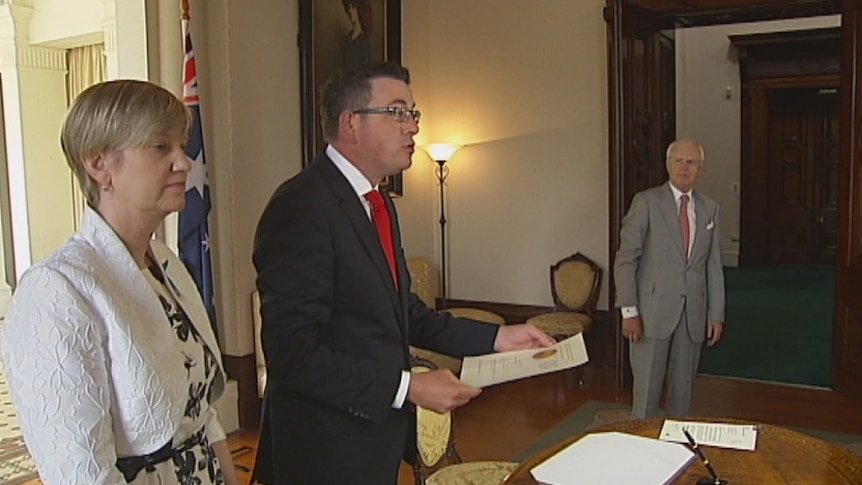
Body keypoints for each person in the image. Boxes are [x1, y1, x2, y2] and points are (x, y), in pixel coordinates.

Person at [252, 62, 554, 484]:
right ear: (351, 123)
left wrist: (499, 338)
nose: (412, 127)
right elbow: (291, 355)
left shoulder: (379, 203)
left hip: (375, 443)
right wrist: (407, 387)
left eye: (413, 114)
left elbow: (402, 312)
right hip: (323, 453)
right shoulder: (301, 207)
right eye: (397, 112)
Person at [0, 80, 239, 485]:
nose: (184, 162)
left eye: (181, 146)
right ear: (99, 165)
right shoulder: (56, 290)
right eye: (161, 147)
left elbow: (201, 415)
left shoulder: (166, 264)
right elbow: (80, 473)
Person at [613, 138, 725, 420]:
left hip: (693, 317)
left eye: (691, 162)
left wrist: (716, 314)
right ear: (668, 165)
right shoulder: (646, 203)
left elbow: (713, 265)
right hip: (651, 316)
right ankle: (642, 452)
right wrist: (629, 312)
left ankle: (676, 450)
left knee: (683, 397)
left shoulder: (710, 208)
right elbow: (626, 260)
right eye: (678, 161)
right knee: (647, 396)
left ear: (701, 169)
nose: (684, 167)